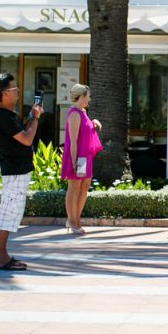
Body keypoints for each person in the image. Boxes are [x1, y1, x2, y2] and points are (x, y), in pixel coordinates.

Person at [0, 73, 43, 271]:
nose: (18, 91)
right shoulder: (2, 116)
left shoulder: (8, 115)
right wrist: (36, 119)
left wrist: (30, 117)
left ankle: (4, 256)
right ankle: (1, 258)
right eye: (14, 88)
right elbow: (27, 139)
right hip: (14, 171)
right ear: (4, 94)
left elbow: (22, 135)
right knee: (7, 213)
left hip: (17, 170)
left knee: (11, 213)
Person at [60, 84, 102, 235]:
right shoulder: (74, 114)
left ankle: (76, 218)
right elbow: (73, 141)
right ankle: (72, 221)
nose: (89, 99)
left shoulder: (83, 112)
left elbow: (86, 128)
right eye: (88, 96)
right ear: (82, 97)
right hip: (77, 156)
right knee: (74, 187)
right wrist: (73, 162)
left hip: (85, 156)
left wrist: (94, 122)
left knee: (84, 186)